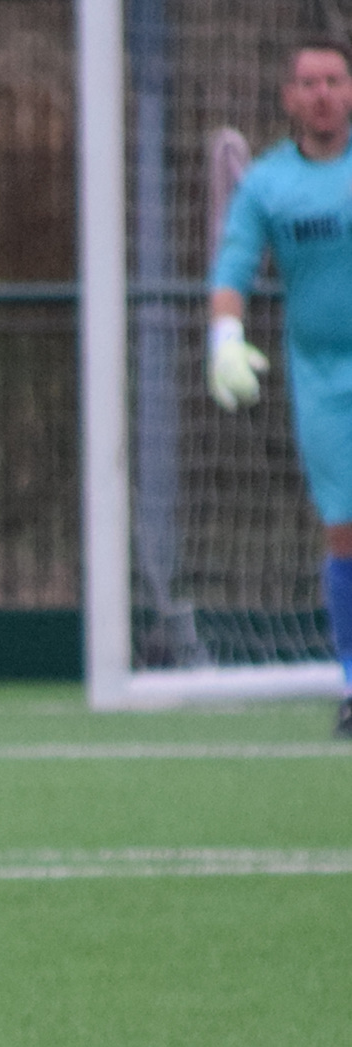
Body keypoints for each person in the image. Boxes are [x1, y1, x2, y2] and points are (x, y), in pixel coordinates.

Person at [208, 38, 352, 737]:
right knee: (346, 529)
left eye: (334, 79)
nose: (323, 93)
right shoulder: (267, 184)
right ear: (290, 98)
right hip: (322, 375)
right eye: (309, 82)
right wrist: (225, 339)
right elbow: (232, 268)